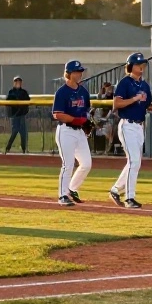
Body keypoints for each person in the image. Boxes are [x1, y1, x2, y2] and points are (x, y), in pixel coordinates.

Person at [108, 53, 152, 209]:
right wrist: (134, 99)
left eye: (142, 65)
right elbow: (117, 103)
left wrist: (151, 107)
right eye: (137, 64)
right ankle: (130, 197)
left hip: (139, 126)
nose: (141, 67)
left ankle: (115, 189)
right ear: (130, 66)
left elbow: (147, 103)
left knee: (135, 162)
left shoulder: (144, 85)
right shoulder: (125, 82)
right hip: (127, 125)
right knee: (134, 161)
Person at [52, 60, 93, 207]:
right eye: (76, 71)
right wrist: (75, 119)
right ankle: (62, 195)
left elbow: (87, 110)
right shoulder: (62, 92)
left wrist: (87, 121)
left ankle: (71, 188)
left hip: (79, 131)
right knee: (67, 164)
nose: (79, 74)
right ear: (68, 74)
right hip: (66, 131)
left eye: (80, 71)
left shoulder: (83, 91)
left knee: (86, 164)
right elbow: (57, 114)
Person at [5, 76, 30, 154]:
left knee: (23, 133)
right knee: (14, 131)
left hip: (22, 115)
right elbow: (8, 101)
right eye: (16, 82)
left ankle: (23, 149)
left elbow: (28, 100)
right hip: (14, 115)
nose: (17, 83)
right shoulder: (11, 92)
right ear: (14, 83)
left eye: (19, 82)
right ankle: (8, 148)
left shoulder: (24, 92)